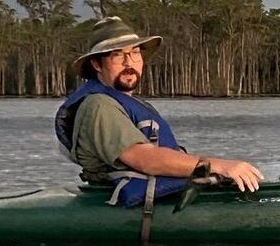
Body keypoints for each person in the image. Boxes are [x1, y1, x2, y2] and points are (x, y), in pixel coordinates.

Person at [54, 16, 264, 207]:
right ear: (97, 64)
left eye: (135, 53)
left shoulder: (132, 104)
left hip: (158, 196)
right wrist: (217, 165)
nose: (129, 63)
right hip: (126, 203)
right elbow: (145, 159)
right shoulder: (99, 106)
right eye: (117, 55)